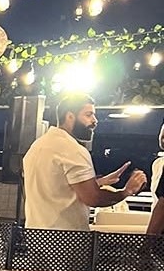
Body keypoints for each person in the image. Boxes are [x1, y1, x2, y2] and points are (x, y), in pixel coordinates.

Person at [23, 93, 145, 231]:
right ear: (70, 116)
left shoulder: (37, 146)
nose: (95, 121)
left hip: (35, 235)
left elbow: (56, 188)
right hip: (64, 238)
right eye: (88, 115)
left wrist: (99, 182)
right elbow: (94, 198)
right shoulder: (72, 149)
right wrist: (127, 191)